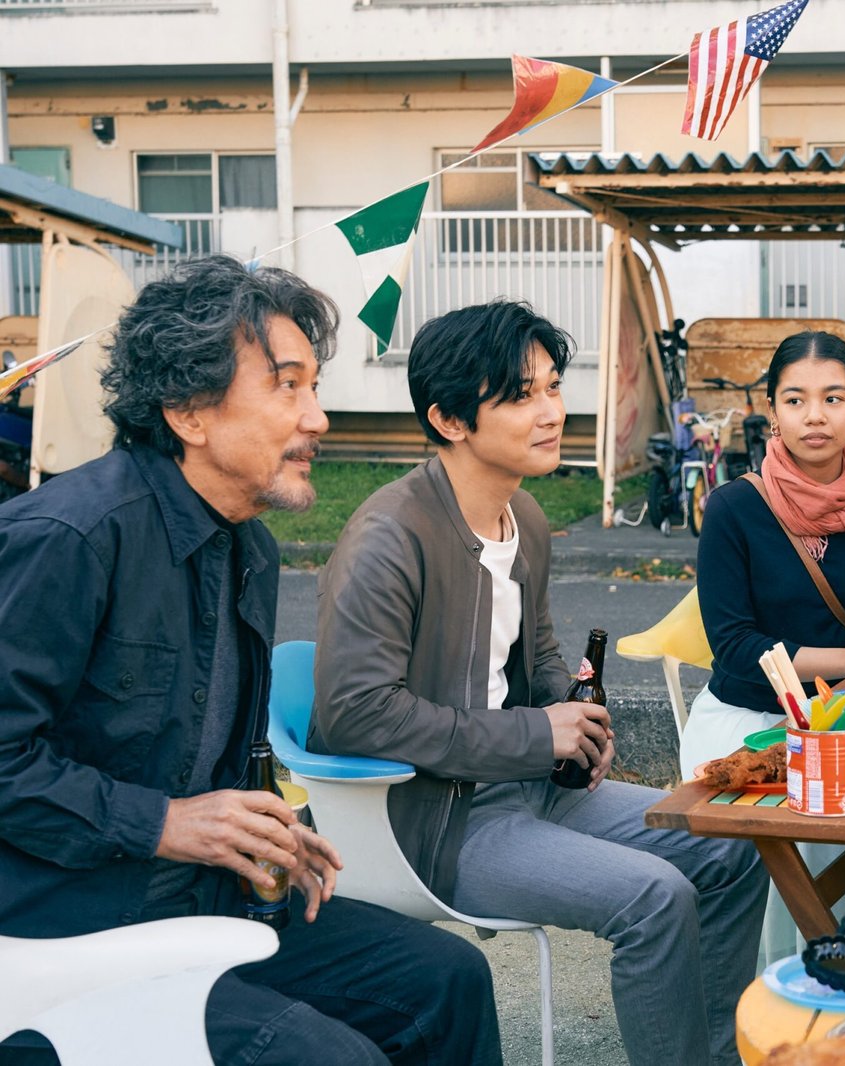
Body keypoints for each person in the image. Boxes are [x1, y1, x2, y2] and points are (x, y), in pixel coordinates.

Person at [0, 256, 501, 1065]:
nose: (318, 418)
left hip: (205, 901)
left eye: (315, 387)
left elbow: (206, 750)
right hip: (63, 934)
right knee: (330, 1058)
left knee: (447, 978)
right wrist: (167, 823)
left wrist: (269, 829)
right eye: (287, 386)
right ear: (189, 413)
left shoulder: (249, 550)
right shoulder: (69, 539)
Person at [312, 301, 767, 1066]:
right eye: (521, 395)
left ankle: (721, 1055)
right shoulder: (388, 539)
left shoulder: (522, 515)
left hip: (533, 786)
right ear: (448, 419)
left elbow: (541, 654)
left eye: (554, 386)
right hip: (438, 820)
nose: (552, 411)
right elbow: (357, 714)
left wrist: (575, 720)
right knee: (654, 898)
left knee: (732, 846)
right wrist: (535, 733)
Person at [683, 330, 845, 963]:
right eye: (796, 400)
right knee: (817, 822)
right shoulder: (733, 508)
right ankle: (781, 986)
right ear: (772, 409)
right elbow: (735, 647)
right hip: (752, 722)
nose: (815, 416)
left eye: (833, 398)